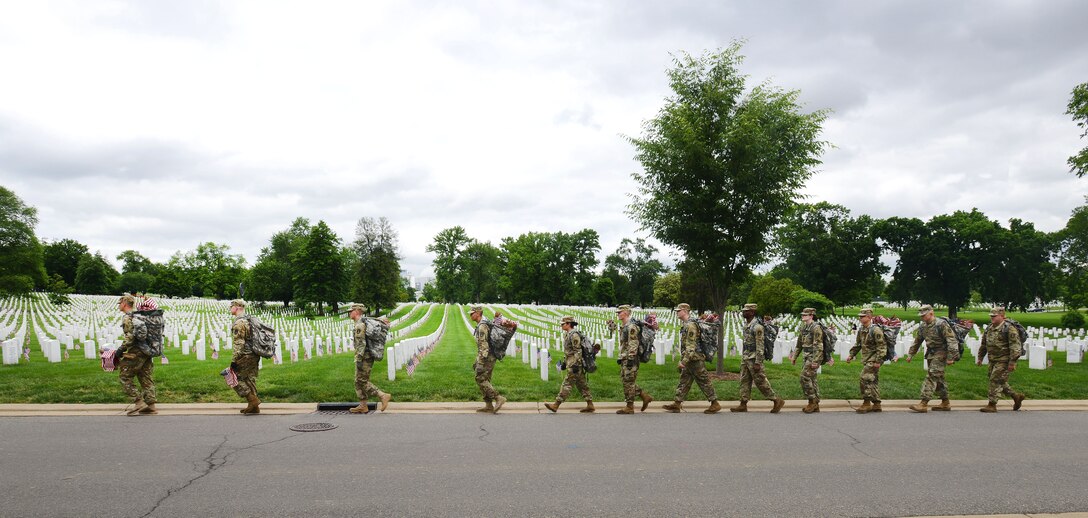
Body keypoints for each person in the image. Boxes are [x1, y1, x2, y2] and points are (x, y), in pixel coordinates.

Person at [662, 303, 721, 414]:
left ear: (685, 311)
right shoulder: (687, 324)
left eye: (678, 310)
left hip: (695, 359)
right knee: (684, 381)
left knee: (704, 381)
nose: (677, 312)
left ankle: (715, 403)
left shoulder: (690, 326)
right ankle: (677, 403)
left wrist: (683, 361)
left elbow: (691, 346)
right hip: (690, 359)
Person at [732, 303, 785, 413]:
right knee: (744, 381)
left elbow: (760, 346)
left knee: (760, 381)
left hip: (754, 358)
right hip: (746, 357)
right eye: (744, 311)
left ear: (752, 312)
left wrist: (758, 362)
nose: (743, 312)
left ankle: (776, 400)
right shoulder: (747, 325)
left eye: (746, 311)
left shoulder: (757, 327)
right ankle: (743, 404)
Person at [906, 304, 959, 412]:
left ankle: (923, 403)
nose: (922, 317)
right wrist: (911, 354)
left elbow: (951, 340)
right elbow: (917, 341)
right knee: (939, 379)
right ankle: (945, 402)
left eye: (924, 315)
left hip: (942, 353)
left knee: (932, 375)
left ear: (931, 313)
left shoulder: (941, 324)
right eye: (921, 315)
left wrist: (950, 357)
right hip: (931, 354)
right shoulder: (923, 326)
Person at [977, 307, 1026, 413]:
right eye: (991, 316)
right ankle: (1016, 396)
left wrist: (1012, 362)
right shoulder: (989, 328)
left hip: (1004, 360)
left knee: (994, 380)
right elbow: (984, 344)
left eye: (994, 316)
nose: (992, 318)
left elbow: (1015, 347)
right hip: (993, 359)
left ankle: (992, 405)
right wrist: (980, 357)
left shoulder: (1009, 328)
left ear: (1002, 316)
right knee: (1000, 381)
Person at [116, 294, 156, 415]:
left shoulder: (128, 317)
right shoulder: (140, 316)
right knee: (145, 377)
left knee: (124, 377)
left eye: (120, 303)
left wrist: (120, 350)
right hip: (147, 351)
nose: (119, 305)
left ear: (124, 303)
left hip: (136, 351)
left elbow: (130, 336)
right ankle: (151, 405)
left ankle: (139, 402)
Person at [544, 316, 594, 413]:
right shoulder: (568, 334)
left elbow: (577, 351)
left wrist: (575, 364)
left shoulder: (574, 335)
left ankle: (556, 405)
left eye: (563, 324)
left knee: (567, 384)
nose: (561, 325)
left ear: (568, 324)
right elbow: (568, 352)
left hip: (574, 365)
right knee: (582, 385)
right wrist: (564, 363)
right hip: (571, 362)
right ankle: (590, 405)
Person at [349, 303, 392, 414]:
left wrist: (358, 359)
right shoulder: (362, 322)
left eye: (351, 311)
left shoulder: (360, 325)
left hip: (364, 356)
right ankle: (363, 405)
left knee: (362, 380)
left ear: (357, 311)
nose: (350, 313)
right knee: (357, 381)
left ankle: (382, 396)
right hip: (364, 355)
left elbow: (361, 344)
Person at [847, 308, 886, 414]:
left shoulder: (876, 330)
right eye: (859, 316)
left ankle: (867, 403)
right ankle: (877, 404)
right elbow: (858, 344)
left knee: (864, 378)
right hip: (867, 358)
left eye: (862, 316)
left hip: (874, 358)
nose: (860, 318)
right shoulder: (862, 329)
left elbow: (881, 347)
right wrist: (851, 355)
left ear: (869, 317)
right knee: (872, 380)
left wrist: (878, 361)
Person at [615, 305, 653, 414]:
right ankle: (645, 396)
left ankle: (630, 407)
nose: (618, 314)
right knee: (626, 381)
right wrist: (621, 357)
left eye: (620, 312)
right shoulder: (625, 325)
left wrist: (630, 358)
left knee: (628, 381)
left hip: (631, 358)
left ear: (626, 313)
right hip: (625, 357)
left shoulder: (631, 326)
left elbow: (633, 343)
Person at [470, 305, 506, 413]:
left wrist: (480, 360)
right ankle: (489, 405)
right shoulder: (484, 323)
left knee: (480, 378)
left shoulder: (482, 326)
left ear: (478, 313)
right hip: (489, 355)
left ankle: (498, 398)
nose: (470, 315)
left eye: (472, 313)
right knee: (486, 379)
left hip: (487, 357)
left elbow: (483, 345)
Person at [229, 299, 261, 415]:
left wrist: (234, 360)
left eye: (231, 306)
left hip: (245, 355)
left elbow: (239, 343)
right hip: (254, 354)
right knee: (249, 379)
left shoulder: (239, 323)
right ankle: (254, 407)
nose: (230, 308)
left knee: (232, 377)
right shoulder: (249, 319)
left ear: (237, 307)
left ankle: (253, 400)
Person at [790, 307, 824, 414]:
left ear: (811, 316)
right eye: (802, 314)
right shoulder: (804, 327)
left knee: (804, 378)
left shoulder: (816, 328)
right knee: (812, 379)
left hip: (813, 357)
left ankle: (812, 401)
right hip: (806, 356)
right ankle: (816, 404)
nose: (803, 316)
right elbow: (799, 344)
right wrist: (794, 357)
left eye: (805, 315)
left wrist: (816, 361)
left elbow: (819, 346)